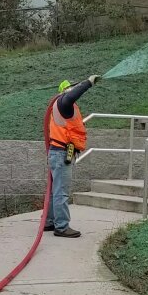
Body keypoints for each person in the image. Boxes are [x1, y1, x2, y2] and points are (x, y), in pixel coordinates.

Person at [45, 75, 100, 238]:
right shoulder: (64, 103)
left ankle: (50, 222)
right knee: (61, 191)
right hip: (61, 153)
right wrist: (88, 83)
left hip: (58, 152)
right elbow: (71, 95)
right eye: (69, 87)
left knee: (56, 190)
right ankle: (61, 227)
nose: (72, 89)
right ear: (64, 91)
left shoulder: (61, 106)